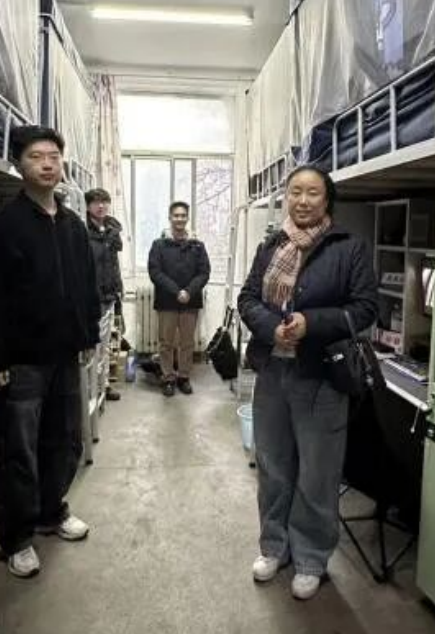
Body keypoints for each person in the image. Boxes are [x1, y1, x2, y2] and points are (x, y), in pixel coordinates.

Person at [238, 165, 378, 601]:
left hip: (322, 376)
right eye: (295, 191)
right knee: (273, 466)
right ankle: (274, 547)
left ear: (327, 199)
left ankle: (311, 558)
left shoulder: (348, 247)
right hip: (273, 372)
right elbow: (248, 299)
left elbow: (365, 308)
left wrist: (310, 324)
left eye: (312, 193)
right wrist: (271, 329)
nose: (302, 200)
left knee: (317, 473)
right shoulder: (271, 245)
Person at [0, 127, 100, 579]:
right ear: (18, 165)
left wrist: (88, 336)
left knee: (64, 440)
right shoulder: (1, 226)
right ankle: (17, 538)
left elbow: (86, 288)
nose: (47, 164)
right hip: (20, 361)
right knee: (17, 450)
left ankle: (51, 511)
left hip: (65, 355)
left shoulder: (73, 226)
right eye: (35, 156)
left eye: (53, 156)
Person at [147, 201, 210, 397]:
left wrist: (188, 292)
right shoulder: (159, 245)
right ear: (170, 217)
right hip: (167, 302)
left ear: (187, 218)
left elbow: (204, 272)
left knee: (187, 343)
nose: (180, 219)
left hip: (190, 302)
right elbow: (155, 272)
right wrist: (177, 292)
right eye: (176, 215)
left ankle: (183, 377)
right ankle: (168, 378)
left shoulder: (197, 246)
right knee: (166, 343)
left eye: (183, 215)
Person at [85, 187, 123, 403]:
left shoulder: (111, 229)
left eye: (104, 202)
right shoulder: (82, 230)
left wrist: (118, 288)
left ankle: (104, 385)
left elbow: (113, 263)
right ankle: (92, 389)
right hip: (92, 296)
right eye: (96, 202)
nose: (101, 206)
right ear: (88, 206)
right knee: (94, 345)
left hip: (109, 294)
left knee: (106, 344)